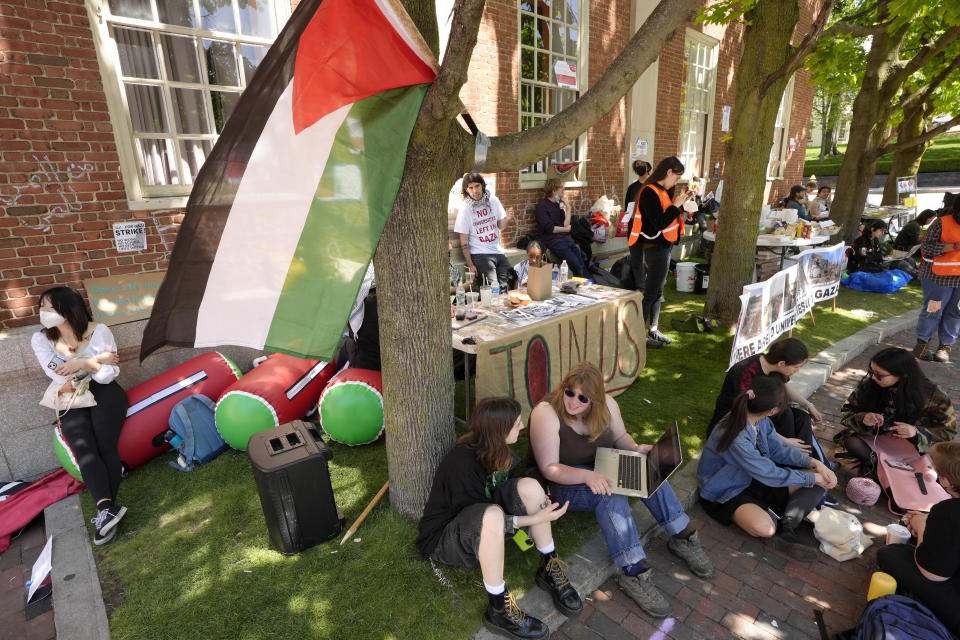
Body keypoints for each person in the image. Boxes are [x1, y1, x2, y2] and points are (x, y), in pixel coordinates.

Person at [528, 362, 714, 619]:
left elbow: (620, 438)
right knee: (610, 493)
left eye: (583, 398)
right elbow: (549, 468)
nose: (573, 401)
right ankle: (633, 571)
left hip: (600, 467)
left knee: (646, 470)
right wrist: (587, 475)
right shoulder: (546, 412)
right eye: (569, 392)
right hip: (563, 481)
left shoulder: (608, 406)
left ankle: (681, 534)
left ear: (595, 399)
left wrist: (637, 450)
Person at [417, 397, 582, 639]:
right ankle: (499, 610)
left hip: (486, 519)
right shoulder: (461, 464)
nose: (522, 427)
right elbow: (483, 519)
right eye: (516, 423)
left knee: (531, 486)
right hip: (446, 538)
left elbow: (500, 497)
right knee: (493, 514)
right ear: (499, 430)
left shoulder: (500, 452)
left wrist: (538, 503)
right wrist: (531, 520)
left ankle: (550, 567)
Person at [698, 375, 836, 560]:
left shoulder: (760, 420)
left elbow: (779, 451)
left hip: (755, 478)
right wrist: (812, 476)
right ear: (772, 410)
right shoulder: (736, 435)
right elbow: (770, 473)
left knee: (820, 480)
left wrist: (814, 463)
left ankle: (787, 525)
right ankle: (782, 520)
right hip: (728, 489)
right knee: (765, 528)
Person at [31, 286, 128, 545]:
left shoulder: (100, 331)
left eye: (48, 308)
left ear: (67, 308)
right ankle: (106, 508)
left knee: (104, 443)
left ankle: (106, 511)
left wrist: (82, 362)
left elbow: (109, 376)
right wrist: (98, 360)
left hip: (106, 392)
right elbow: (57, 373)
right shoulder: (41, 339)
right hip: (72, 394)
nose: (42, 312)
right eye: (41, 307)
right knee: (82, 446)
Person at [877, 441, 960, 637]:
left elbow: (932, 574)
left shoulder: (948, 511)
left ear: (946, 481)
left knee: (890, 554)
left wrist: (923, 526)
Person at [833, 347, 956, 475]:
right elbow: (847, 412)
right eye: (872, 371)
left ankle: (878, 464)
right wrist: (863, 418)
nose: (873, 377)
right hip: (875, 439)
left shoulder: (933, 395)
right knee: (852, 442)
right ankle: (879, 463)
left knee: (930, 462)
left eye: (879, 375)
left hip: (911, 447)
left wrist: (916, 432)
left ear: (903, 375)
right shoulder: (870, 385)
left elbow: (948, 432)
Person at [708, 338, 830, 467]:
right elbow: (746, 414)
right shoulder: (745, 371)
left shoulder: (773, 366)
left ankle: (807, 460)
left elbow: (784, 387)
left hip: (761, 413)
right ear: (782, 363)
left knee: (803, 417)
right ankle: (795, 462)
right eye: (796, 367)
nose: (798, 370)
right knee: (786, 415)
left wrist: (808, 405)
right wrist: (784, 440)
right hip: (736, 420)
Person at [626, 156, 693, 349]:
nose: (676, 182)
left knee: (658, 291)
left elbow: (668, 217)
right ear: (669, 172)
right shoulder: (649, 191)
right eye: (676, 177)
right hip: (654, 248)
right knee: (650, 292)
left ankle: (653, 329)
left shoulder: (662, 191)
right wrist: (676, 205)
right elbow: (660, 221)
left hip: (664, 246)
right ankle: (639, 335)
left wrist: (684, 203)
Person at [914, 198, 960, 363]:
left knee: (955, 312)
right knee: (933, 310)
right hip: (938, 277)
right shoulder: (941, 223)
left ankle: (944, 347)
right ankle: (922, 345)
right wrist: (953, 247)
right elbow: (926, 247)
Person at [455, 172, 513, 292]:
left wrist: (507, 219)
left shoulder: (493, 200)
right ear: (466, 190)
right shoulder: (465, 210)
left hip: (498, 251)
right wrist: (470, 265)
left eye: (477, 186)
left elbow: (500, 225)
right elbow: (464, 242)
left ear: (482, 185)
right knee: (492, 290)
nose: (474, 191)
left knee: (507, 286)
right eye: (470, 188)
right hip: (480, 254)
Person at [534, 178, 589, 278]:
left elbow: (566, 224)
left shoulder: (557, 205)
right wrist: (566, 230)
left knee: (581, 264)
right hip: (553, 241)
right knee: (576, 265)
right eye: (561, 188)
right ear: (554, 190)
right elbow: (551, 229)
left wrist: (568, 208)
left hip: (566, 239)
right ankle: (588, 284)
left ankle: (588, 284)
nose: (563, 189)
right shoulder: (542, 206)